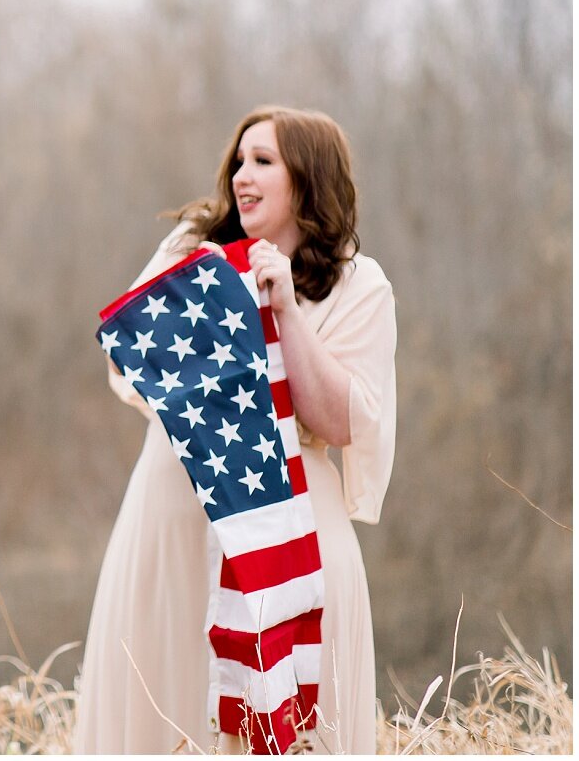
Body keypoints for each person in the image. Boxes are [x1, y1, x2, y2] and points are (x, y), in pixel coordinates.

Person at [73, 106, 396, 754]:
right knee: (162, 712)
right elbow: (127, 353)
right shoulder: (193, 248)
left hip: (291, 537)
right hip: (173, 525)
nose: (242, 175)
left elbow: (340, 421)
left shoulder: (360, 285)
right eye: (239, 161)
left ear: (308, 178)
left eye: (264, 161)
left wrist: (285, 313)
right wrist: (209, 297)